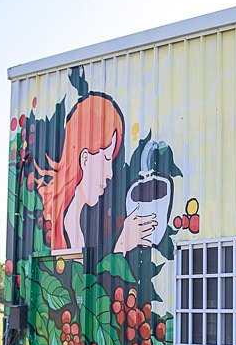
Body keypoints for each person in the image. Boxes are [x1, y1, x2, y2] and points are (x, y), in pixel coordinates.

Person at [34, 93, 157, 254]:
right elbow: (78, 278)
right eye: (106, 158)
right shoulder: (67, 225)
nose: (110, 174)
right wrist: (122, 245)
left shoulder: (71, 223)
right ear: (85, 159)